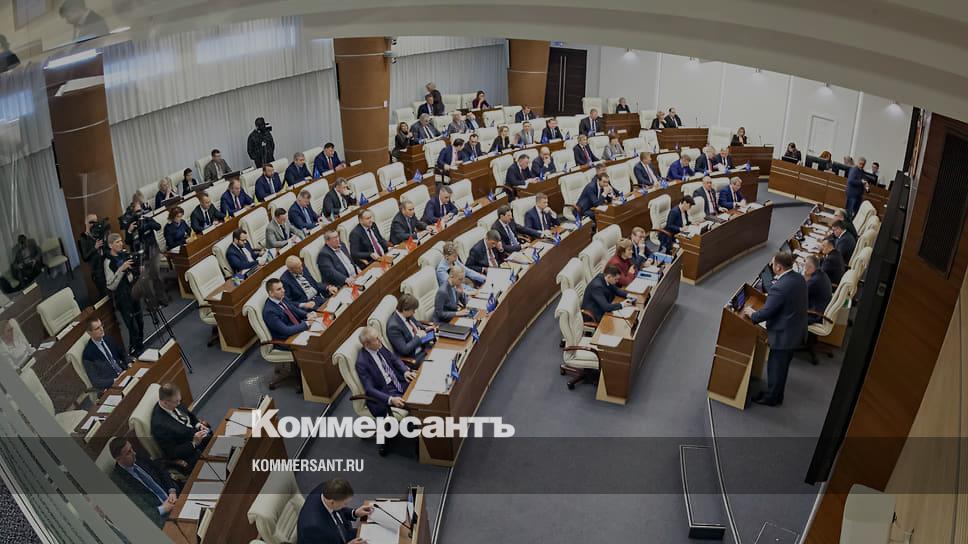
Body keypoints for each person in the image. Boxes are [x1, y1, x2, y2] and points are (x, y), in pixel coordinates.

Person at [742, 252, 808, 406]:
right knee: (782, 367)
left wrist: (752, 314)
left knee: (776, 367)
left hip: (785, 335)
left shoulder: (780, 287)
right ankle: (776, 393)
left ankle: (772, 398)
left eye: (772, 264)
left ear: (778, 267)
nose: (771, 267)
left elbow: (766, 313)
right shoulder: (798, 278)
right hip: (796, 329)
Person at [108, 438, 179, 528]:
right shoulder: (118, 482)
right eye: (128, 452)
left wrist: (172, 490)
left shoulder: (138, 457)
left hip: (174, 497)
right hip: (161, 519)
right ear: (118, 459)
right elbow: (137, 511)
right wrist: (162, 509)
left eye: (131, 448)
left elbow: (160, 470)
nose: (134, 453)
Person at [356, 326, 416, 418]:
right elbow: (369, 389)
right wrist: (390, 399)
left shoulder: (378, 345)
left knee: (420, 387)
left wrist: (405, 372)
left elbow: (394, 358)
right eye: (376, 339)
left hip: (398, 381)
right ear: (367, 344)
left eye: (378, 337)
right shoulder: (362, 363)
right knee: (415, 403)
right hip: (386, 392)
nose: (380, 340)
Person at [151, 383, 212, 471]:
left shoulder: (174, 401)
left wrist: (198, 425)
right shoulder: (160, 426)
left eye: (179, 400)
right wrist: (194, 443)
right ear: (165, 402)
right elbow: (172, 452)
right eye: (177, 401)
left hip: (198, 434)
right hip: (191, 452)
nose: (179, 403)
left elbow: (189, 415)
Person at [296, 478, 373, 544]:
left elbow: (340, 510)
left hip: (344, 533)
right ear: (332, 502)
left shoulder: (326, 490)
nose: (346, 506)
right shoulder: (313, 528)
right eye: (345, 503)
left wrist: (355, 513)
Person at [104, 233, 144, 354]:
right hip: (123, 298)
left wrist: (138, 268)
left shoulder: (124, 254)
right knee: (132, 327)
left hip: (133, 293)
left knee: (140, 322)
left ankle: (138, 346)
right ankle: (136, 351)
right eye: (117, 242)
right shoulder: (108, 262)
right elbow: (110, 285)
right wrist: (121, 269)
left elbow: (132, 271)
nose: (121, 244)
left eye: (121, 241)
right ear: (110, 245)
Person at [263, 277, 316, 345]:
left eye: (282, 287)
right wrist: (307, 323)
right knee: (316, 342)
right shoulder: (269, 312)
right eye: (279, 289)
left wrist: (308, 314)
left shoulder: (282, 297)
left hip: (298, 329)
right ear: (271, 293)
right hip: (288, 340)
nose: (283, 290)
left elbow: (295, 310)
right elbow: (286, 330)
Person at [81, 318, 130, 393]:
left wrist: (129, 362)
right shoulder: (88, 354)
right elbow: (95, 381)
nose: (101, 329)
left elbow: (122, 353)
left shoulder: (108, 338)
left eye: (101, 325)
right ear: (89, 333)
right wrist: (115, 380)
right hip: (112, 385)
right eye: (97, 328)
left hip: (125, 373)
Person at [387, 293, 435, 361]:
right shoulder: (393, 327)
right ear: (404, 310)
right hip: (414, 357)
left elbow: (416, 323)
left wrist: (425, 328)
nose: (414, 312)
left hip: (423, 346)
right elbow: (405, 350)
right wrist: (418, 336)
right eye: (413, 310)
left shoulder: (407, 314)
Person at [79, 214, 108, 298]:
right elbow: (85, 257)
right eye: (91, 222)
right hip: (97, 271)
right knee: (104, 293)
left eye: (95, 222)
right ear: (86, 222)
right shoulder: (83, 238)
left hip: (105, 265)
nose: (93, 224)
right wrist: (95, 248)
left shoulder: (98, 233)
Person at [804, 255, 832, 325]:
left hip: (814, 315)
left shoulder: (814, 281)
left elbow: (799, 295)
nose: (804, 268)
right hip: (820, 307)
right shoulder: (822, 274)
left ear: (810, 267)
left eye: (805, 265)